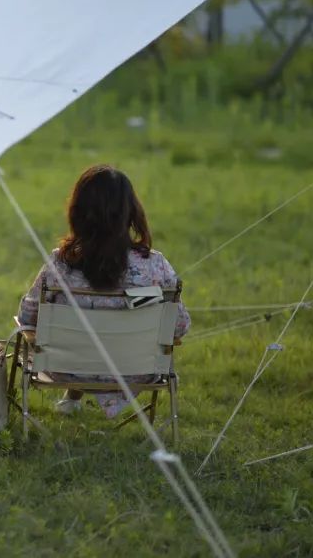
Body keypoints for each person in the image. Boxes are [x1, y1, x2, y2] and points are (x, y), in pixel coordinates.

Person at [16, 164, 190, 418]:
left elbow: (28, 317)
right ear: (130, 212)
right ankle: (76, 400)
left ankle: (71, 397)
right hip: (135, 369)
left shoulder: (60, 265)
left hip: (65, 367)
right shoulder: (154, 266)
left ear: (77, 212)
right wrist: (140, 300)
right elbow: (180, 325)